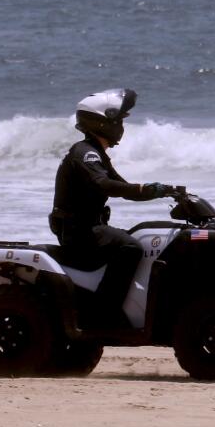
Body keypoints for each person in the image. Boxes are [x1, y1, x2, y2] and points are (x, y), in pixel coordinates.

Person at [49, 88, 172, 325]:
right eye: (117, 121)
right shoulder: (85, 154)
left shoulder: (97, 154)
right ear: (102, 123)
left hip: (87, 227)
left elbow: (122, 188)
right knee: (131, 247)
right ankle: (104, 313)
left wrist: (162, 191)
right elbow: (104, 184)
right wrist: (143, 189)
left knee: (140, 238)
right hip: (79, 230)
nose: (122, 128)